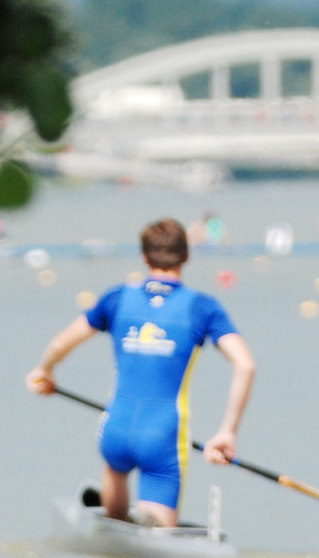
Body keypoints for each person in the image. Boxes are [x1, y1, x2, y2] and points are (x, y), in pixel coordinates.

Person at [26, 218, 255, 528]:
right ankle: (148, 527)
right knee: (158, 548)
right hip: (162, 437)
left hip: (115, 429)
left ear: (144, 257)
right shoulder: (201, 307)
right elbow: (245, 365)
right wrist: (227, 431)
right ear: (186, 256)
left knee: (115, 469)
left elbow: (59, 343)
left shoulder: (117, 298)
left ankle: (115, 524)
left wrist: (44, 371)